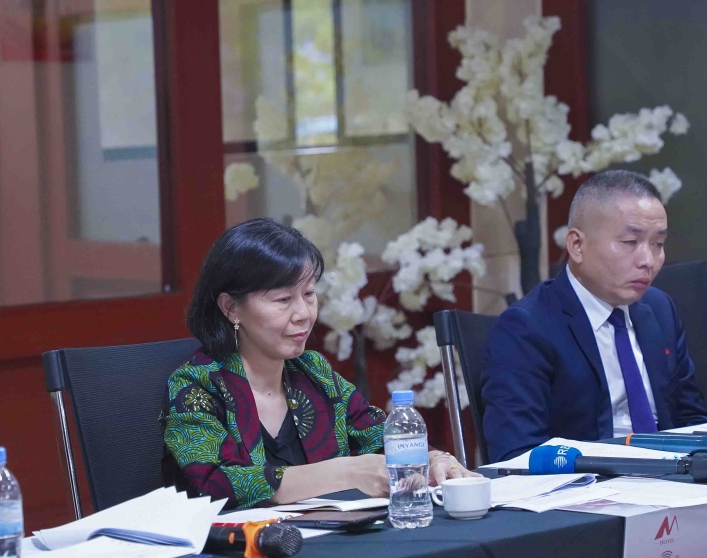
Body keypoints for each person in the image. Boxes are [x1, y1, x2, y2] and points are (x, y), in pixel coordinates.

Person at [163, 217, 475, 509]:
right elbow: (221, 486)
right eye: (283, 300)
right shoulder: (196, 386)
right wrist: (347, 472)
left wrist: (435, 458)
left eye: (309, 294)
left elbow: (379, 437)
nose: (304, 313)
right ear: (231, 308)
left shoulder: (313, 372)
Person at [480, 170, 707, 462]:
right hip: (588, 487)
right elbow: (517, 453)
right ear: (577, 245)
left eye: (658, 244)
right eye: (630, 242)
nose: (648, 261)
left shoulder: (659, 309)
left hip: (675, 480)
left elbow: (692, 417)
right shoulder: (526, 328)